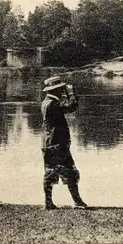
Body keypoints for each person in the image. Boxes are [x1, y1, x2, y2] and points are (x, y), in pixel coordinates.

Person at [41, 76, 87, 210]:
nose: (62, 91)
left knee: (50, 172)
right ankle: (77, 202)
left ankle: (48, 203)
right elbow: (72, 107)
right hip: (57, 143)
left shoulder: (46, 102)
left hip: (49, 142)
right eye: (61, 89)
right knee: (70, 172)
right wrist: (71, 93)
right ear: (55, 89)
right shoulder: (53, 104)